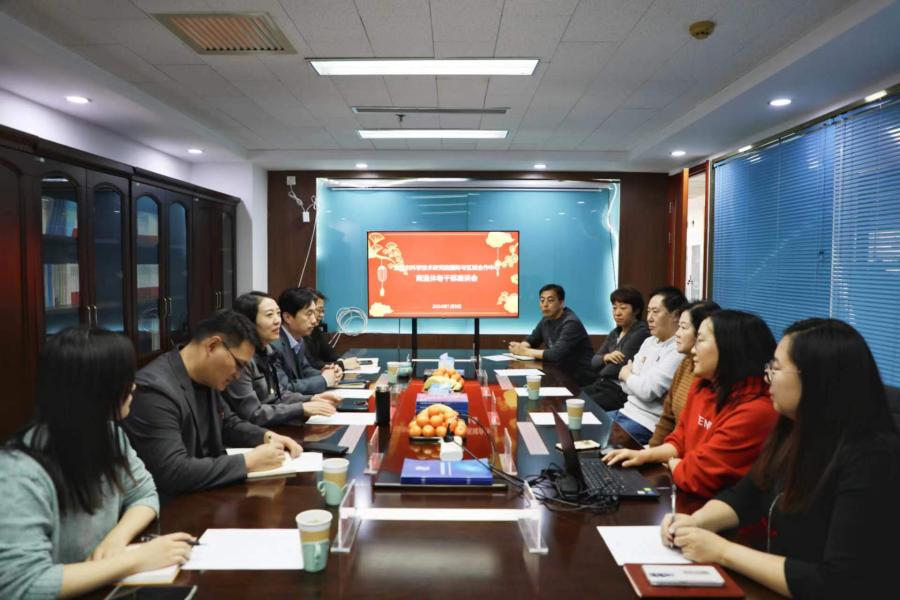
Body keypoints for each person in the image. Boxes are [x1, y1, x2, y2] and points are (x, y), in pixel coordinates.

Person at [660, 318, 900, 598]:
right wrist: (696, 522)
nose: (767, 378)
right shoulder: (793, 430)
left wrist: (722, 551)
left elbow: (837, 582)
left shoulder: (872, 457)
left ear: (815, 378)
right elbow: (746, 495)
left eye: (775, 368)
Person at [0, 327, 195, 599]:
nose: (134, 386)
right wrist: (134, 560)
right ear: (97, 390)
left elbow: (145, 494)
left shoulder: (109, 435)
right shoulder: (19, 473)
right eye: (125, 378)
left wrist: (116, 539)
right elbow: (24, 585)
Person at [124, 309, 302, 497]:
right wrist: (248, 462)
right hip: (174, 506)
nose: (238, 375)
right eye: (239, 364)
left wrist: (267, 436)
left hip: (207, 495)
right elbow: (172, 472)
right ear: (212, 346)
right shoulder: (154, 391)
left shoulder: (206, 376)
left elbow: (227, 423)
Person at [605, 310, 778, 497]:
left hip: (715, 504)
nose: (693, 350)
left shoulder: (754, 410)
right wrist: (642, 455)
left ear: (730, 348)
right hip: (687, 489)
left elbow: (695, 475)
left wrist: (672, 461)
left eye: (700, 340)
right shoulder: (702, 386)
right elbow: (679, 440)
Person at [225, 292, 340, 427]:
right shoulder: (240, 360)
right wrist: (301, 408)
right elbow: (252, 414)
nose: (277, 320)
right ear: (248, 322)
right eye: (269, 315)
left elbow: (278, 395)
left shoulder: (267, 351)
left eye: (278, 313)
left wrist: (312, 399)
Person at [607, 286, 687, 444]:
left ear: (676, 316)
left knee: (598, 444)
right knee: (585, 427)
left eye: (656, 312)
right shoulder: (648, 342)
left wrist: (627, 374)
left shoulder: (678, 350)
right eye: (649, 311)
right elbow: (626, 387)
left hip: (646, 423)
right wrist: (635, 381)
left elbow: (647, 391)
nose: (649, 317)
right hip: (625, 411)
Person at [647, 300, 720, 446]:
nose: (677, 334)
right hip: (674, 449)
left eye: (684, 328)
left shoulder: (710, 376)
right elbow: (668, 418)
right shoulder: (686, 363)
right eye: (679, 327)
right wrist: (651, 450)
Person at [508, 283, 594, 386]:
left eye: (550, 300)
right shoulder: (546, 319)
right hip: (559, 374)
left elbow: (555, 354)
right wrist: (521, 347)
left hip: (579, 378)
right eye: (542, 300)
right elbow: (533, 338)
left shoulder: (571, 323)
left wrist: (524, 351)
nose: (545, 305)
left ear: (561, 303)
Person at [580, 286, 650, 410]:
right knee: (572, 397)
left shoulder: (641, 332)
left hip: (620, 390)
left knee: (582, 405)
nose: (617, 313)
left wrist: (602, 365)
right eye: (614, 308)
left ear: (636, 310)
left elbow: (616, 368)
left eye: (623, 308)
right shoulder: (615, 332)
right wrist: (606, 357)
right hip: (603, 384)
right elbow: (593, 362)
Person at [272, 287, 342, 394]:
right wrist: (323, 380)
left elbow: (305, 370)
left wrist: (326, 373)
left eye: (314, 313)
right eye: (309, 314)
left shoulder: (299, 339)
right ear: (287, 317)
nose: (314, 320)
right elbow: (284, 389)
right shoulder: (274, 346)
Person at [305, 290, 360, 371]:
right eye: (319, 310)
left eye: (323, 311)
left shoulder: (315, 329)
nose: (322, 315)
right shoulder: (300, 334)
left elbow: (329, 353)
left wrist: (341, 361)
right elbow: (309, 365)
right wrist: (342, 365)